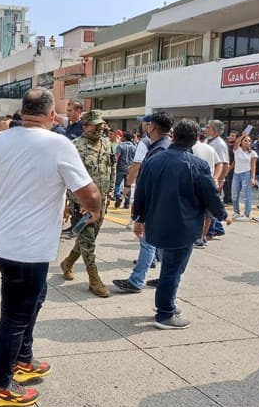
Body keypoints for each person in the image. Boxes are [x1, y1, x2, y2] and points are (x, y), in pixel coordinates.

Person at [0, 88, 101, 407]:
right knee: (14, 317)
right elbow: (90, 193)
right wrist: (93, 211)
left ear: (23, 111)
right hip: (28, 248)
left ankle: (23, 360)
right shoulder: (58, 144)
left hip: (4, 242)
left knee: (33, 300)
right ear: (52, 115)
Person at [133, 119, 230, 329]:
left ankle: (167, 303)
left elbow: (141, 191)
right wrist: (222, 215)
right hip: (183, 225)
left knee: (169, 267)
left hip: (156, 222)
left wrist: (138, 217)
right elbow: (210, 195)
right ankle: (165, 313)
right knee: (173, 268)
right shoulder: (198, 165)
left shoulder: (153, 160)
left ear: (173, 136)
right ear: (195, 140)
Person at [113, 111, 174, 293]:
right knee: (160, 244)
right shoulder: (166, 146)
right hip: (164, 206)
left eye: (146, 124)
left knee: (148, 242)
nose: (143, 127)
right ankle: (163, 277)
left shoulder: (156, 150)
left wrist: (140, 214)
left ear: (151, 126)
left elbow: (147, 180)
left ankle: (136, 281)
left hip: (156, 206)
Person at [59, 110, 115, 298]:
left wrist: (110, 193)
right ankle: (94, 279)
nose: (100, 129)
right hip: (82, 205)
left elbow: (111, 167)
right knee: (89, 242)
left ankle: (67, 263)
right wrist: (76, 202)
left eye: (102, 125)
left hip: (101, 203)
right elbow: (69, 179)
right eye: (95, 125)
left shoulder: (107, 145)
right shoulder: (75, 147)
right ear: (85, 126)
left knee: (87, 238)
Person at [191, 137, 222, 246]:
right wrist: (216, 178)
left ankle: (197, 237)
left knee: (197, 212)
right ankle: (203, 236)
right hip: (209, 183)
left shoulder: (190, 149)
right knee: (208, 213)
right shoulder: (210, 148)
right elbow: (220, 163)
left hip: (196, 184)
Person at [206, 120, 230, 238]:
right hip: (210, 177)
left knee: (212, 204)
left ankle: (210, 231)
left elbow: (224, 164)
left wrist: (220, 180)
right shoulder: (210, 141)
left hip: (215, 179)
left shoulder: (219, 144)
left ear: (214, 130)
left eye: (208, 127)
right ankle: (217, 228)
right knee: (213, 203)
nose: (206, 129)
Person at [231, 132, 257, 221]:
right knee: (234, 194)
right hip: (236, 174)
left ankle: (247, 214)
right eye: (245, 140)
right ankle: (236, 212)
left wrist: (253, 178)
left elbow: (253, 166)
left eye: (249, 141)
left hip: (246, 174)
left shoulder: (252, 153)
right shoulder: (237, 150)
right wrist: (243, 135)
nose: (247, 142)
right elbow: (236, 143)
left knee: (247, 195)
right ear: (241, 142)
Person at [114, 131, 136, 209]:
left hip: (120, 168)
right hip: (130, 169)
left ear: (124, 138)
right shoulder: (134, 147)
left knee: (117, 184)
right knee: (128, 185)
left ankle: (118, 196)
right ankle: (127, 203)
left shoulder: (120, 146)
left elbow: (117, 157)